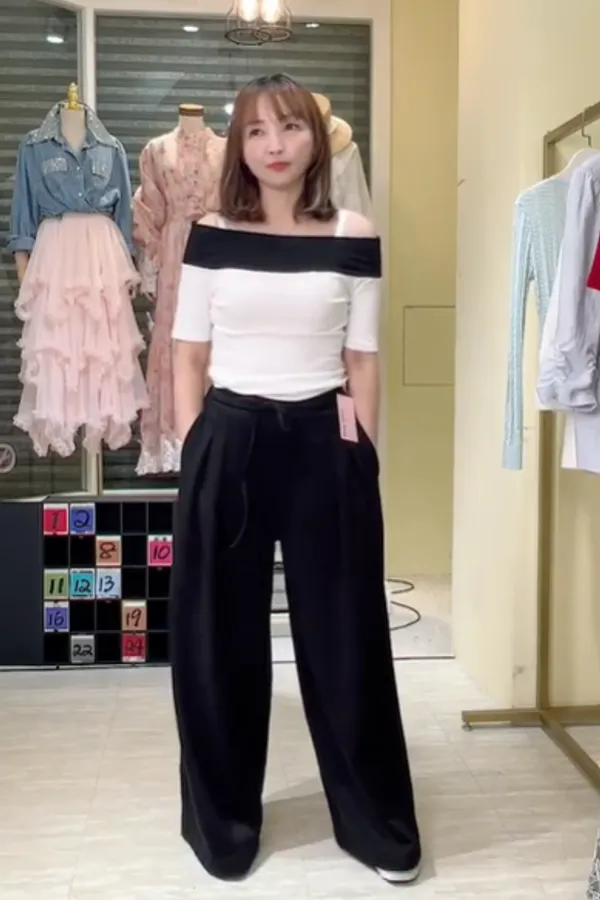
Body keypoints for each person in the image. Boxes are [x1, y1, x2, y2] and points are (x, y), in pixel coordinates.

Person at [169, 72, 421, 885]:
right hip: (229, 438)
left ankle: (376, 827)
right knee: (217, 642)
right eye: (255, 131)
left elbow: (363, 358)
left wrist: (362, 455)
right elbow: (189, 354)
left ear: (319, 137)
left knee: (347, 637)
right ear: (239, 147)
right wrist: (195, 448)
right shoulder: (210, 234)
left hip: (324, 441)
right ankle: (224, 829)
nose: (274, 146)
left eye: (290, 127)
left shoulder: (354, 232)